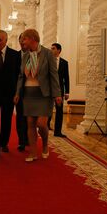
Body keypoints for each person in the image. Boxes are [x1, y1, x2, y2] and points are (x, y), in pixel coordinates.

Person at [14, 29, 61, 162]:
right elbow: (21, 76)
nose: (22, 42)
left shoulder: (47, 54)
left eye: (24, 39)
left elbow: (54, 75)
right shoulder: (25, 55)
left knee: (41, 124)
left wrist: (57, 94)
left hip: (44, 94)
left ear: (32, 39)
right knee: (30, 123)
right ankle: (33, 152)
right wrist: (17, 93)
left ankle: (45, 144)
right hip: (28, 94)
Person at [48, 43, 70, 137]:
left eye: (53, 48)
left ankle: (58, 132)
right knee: (47, 109)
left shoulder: (64, 63)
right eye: (51, 48)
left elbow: (66, 78)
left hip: (59, 90)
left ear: (59, 50)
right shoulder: (47, 61)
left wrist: (67, 92)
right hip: (48, 89)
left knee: (59, 111)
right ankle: (45, 126)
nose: (51, 50)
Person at [15, 33, 29, 151]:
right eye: (21, 41)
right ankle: (22, 141)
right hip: (19, 92)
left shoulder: (35, 55)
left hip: (32, 92)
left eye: (24, 41)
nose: (22, 43)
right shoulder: (15, 56)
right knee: (20, 117)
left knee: (30, 117)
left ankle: (29, 138)